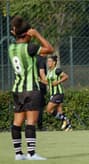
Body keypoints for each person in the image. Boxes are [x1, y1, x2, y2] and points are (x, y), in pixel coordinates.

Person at [9, 16, 54, 160]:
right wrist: (37, 35)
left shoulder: (11, 48)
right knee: (30, 122)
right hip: (31, 89)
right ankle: (31, 153)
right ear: (28, 34)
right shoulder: (31, 47)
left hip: (17, 89)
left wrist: (20, 33)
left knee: (17, 122)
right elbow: (50, 49)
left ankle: (18, 154)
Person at [40, 55, 72, 131]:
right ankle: (68, 126)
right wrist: (40, 80)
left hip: (58, 93)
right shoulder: (49, 72)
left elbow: (66, 76)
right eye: (48, 61)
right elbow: (49, 83)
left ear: (54, 63)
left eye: (50, 61)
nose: (48, 63)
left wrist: (58, 82)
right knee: (60, 111)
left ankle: (66, 120)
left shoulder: (57, 70)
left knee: (48, 109)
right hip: (53, 94)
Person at [36, 55, 47, 131]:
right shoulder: (41, 60)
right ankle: (40, 126)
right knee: (40, 107)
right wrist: (48, 83)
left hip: (29, 86)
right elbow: (42, 73)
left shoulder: (32, 59)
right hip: (40, 87)